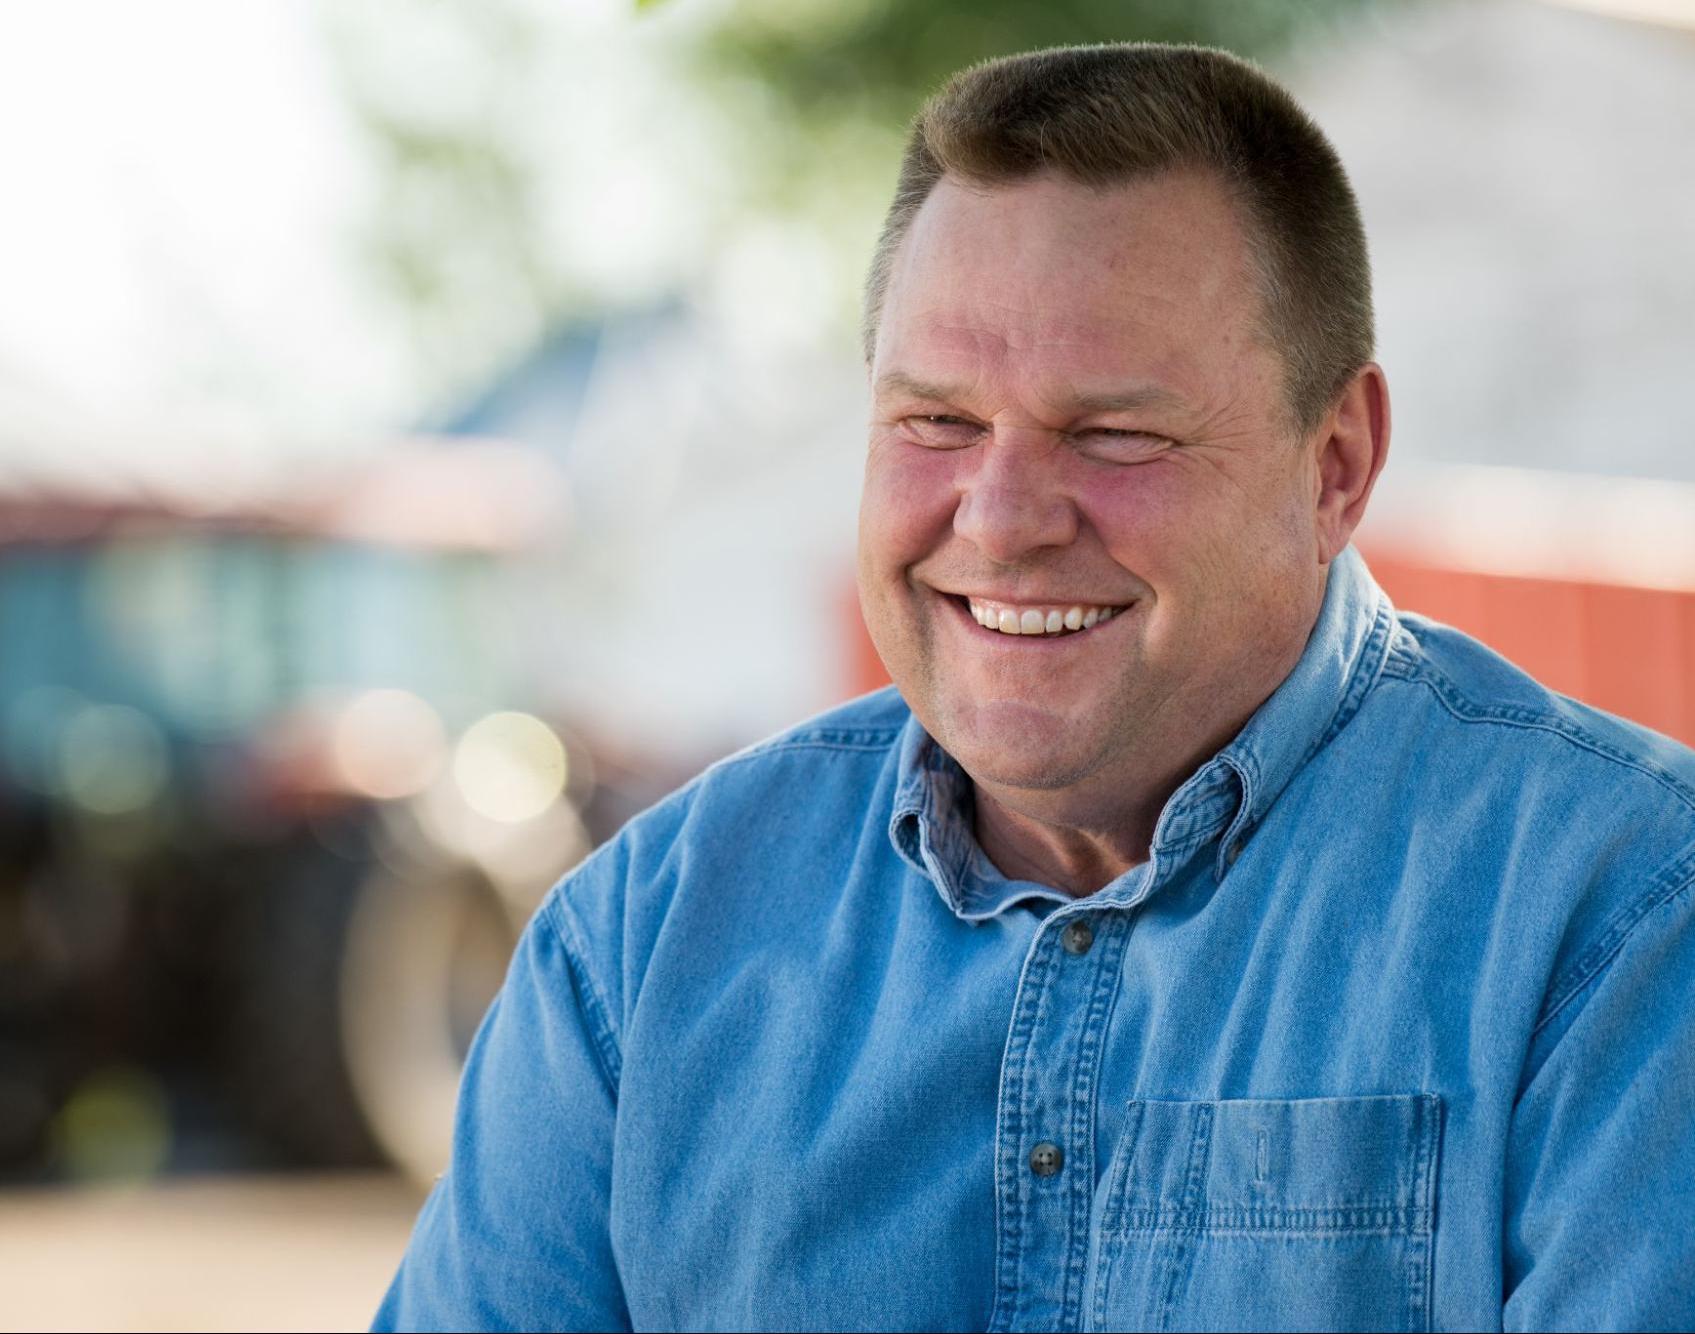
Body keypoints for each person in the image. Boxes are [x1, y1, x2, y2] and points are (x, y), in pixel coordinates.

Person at [374, 43, 1695, 1332]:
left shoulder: (1621, 917)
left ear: (1335, 463)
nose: (1000, 518)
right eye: (936, 421)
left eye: (1112, 431)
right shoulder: (637, 949)